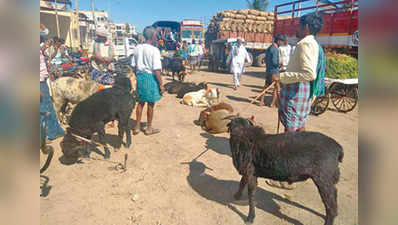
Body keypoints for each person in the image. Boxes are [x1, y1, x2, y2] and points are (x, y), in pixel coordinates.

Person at [267, 13, 326, 190]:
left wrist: (282, 76)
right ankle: (306, 160)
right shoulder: (313, 43)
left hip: (297, 91)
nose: (297, 29)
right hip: (301, 91)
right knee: (300, 127)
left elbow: (309, 73)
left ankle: (287, 178)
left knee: (290, 135)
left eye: (300, 26)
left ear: (306, 27)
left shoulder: (305, 44)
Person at [131, 26, 165, 136]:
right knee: (150, 104)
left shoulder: (137, 48)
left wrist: (138, 75)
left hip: (140, 77)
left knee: (140, 103)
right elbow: (156, 70)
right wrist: (161, 84)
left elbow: (133, 66)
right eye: (156, 35)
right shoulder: (154, 50)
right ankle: (149, 128)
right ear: (153, 36)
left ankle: (136, 126)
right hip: (151, 78)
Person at [40, 25, 65, 141]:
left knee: (48, 105)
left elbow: (45, 30)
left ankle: (54, 131)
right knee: (43, 108)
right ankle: (46, 134)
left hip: (42, 80)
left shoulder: (41, 48)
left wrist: (44, 48)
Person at [260, 34, 285, 107]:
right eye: (282, 42)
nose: (282, 43)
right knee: (276, 88)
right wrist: (279, 64)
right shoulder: (275, 49)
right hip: (274, 72)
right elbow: (274, 62)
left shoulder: (269, 48)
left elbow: (266, 60)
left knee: (265, 87)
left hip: (268, 71)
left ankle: (261, 101)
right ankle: (272, 104)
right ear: (278, 41)